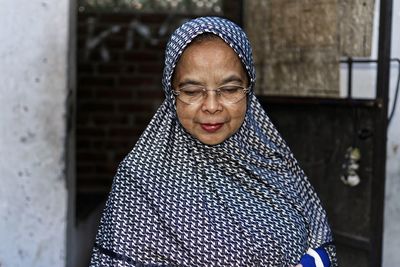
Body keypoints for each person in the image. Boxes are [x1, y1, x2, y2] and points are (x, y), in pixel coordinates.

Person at [90, 16, 337, 267]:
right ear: (171, 92)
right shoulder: (141, 180)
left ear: (249, 89)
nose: (211, 106)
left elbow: (320, 243)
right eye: (191, 91)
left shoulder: (274, 162)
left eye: (229, 89)